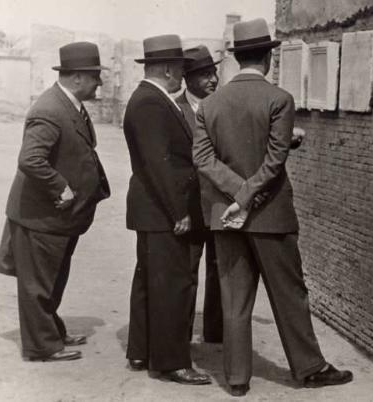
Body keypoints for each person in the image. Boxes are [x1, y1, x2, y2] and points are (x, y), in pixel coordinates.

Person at [193, 18, 353, 396]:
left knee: (234, 298)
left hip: (225, 217)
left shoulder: (210, 104)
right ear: (267, 57)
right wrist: (248, 196)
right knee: (289, 294)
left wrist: (235, 195)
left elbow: (203, 158)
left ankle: (236, 378)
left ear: (237, 58)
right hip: (271, 214)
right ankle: (310, 368)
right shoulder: (279, 99)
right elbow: (273, 160)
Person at [0, 41, 111, 362]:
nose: (98, 83)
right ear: (76, 78)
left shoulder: (67, 103)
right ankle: (41, 346)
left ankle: (52, 332)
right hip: (41, 215)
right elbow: (30, 159)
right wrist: (61, 186)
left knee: (52, 277)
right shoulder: (49, 109)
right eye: (94, 77)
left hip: (58, 218)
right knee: (38, 284)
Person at [122, 34, 211, 385]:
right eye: (180, 68)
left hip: (152, 211)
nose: (181, 75)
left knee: (149, 281)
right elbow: (160, 165)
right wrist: (179, 212)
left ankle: (142, 350)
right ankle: (172, 361)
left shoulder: (150, 100)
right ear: (170, 69)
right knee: (172, 284)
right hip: (163, 212)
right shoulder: (151, 103)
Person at [175, 45, 223, 344]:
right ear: (188, 78)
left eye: (214, 72)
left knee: (220, 269)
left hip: (218, 204)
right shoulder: (173, 108)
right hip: (191, 206)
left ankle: (216, 333)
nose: (213, 80)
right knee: (187, 271)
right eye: (205, 75)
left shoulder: (221, 106)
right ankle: (181, 336)